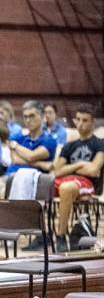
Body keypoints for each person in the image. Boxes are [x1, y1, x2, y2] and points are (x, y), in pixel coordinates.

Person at [0, 100, 57, 214]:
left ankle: (5, 227)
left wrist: (16, 146)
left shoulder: (49, 140)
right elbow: (15, 160)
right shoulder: (18, 137)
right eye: (25, 117)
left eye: (32, 116)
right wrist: (42, 163)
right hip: (9, 176)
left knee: (4, 193)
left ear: (42, 117)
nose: (28, 120)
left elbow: (31, 157)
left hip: (30, 181)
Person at [51, 104, 104, 249]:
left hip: (87, 184)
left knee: (67, 188)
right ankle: (39, 236)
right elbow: (57, 171)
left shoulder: (99, 144)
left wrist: (68, 169)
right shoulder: (69, 146)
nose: (80, 124)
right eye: (78, 119)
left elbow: (94, 170)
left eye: (85, 120)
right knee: (38, 184)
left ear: (93, 122)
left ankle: (60, 236)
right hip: (64, 180)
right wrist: (79, 164)